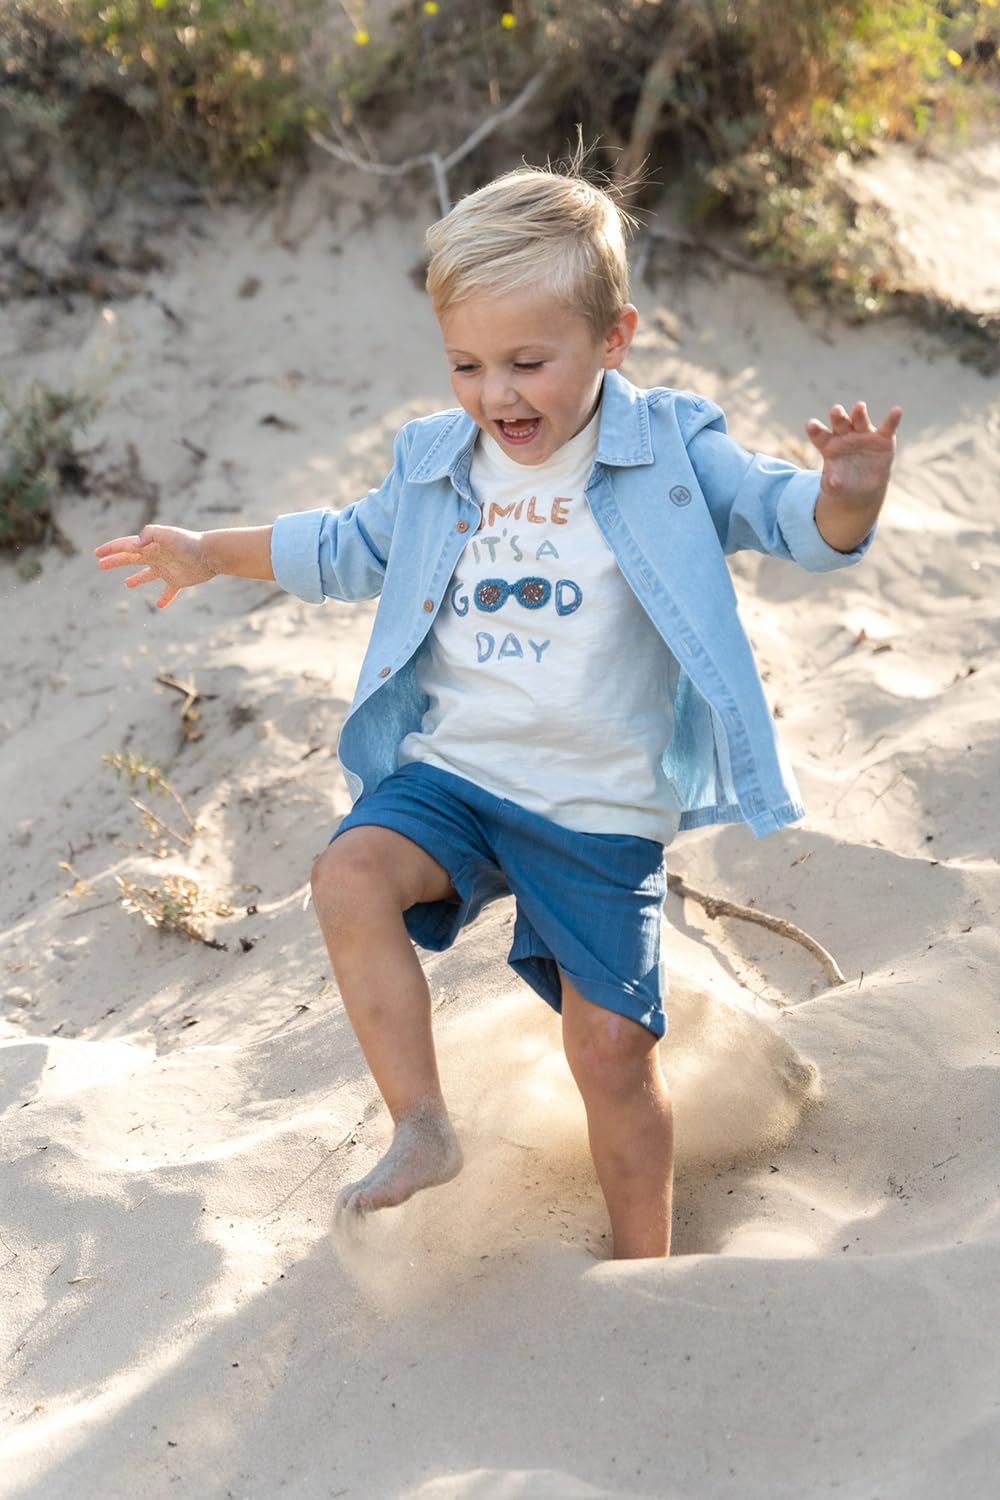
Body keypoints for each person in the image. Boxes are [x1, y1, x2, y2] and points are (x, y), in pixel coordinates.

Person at [94, 166, 901, 1259]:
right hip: (458, 775)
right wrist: (208, 553)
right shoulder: (439, 460)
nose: (496, 395)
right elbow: (347, 545)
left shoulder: (669, 445)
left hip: (598, 809)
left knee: (610, 1052)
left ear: (613, 338)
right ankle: (422, 1126)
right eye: (466, 365)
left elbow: (788, 520)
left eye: (528, 362)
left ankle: (646, 1270)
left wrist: (846, 495)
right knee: (349, 874)